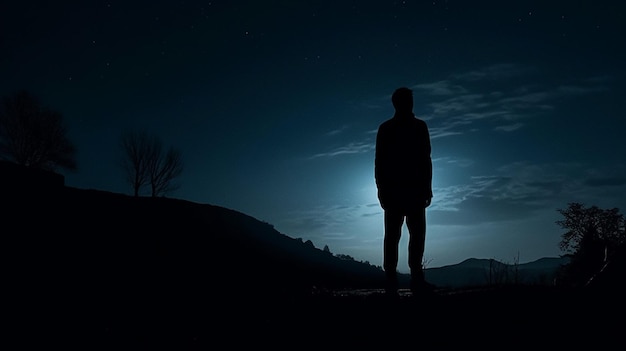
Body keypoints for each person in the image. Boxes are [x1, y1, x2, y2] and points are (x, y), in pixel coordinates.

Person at [375, 87, 433, 296]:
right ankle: (393, 279)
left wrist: (427, 187)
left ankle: (411, 278)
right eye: (406, 100)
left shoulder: (416, 127)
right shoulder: (390, 129)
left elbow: (426, 159)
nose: (409, 104)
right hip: (398, 191)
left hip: (411, 190)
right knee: (395, 236)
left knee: (413, 235)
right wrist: (382, 189)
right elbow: (380, 162)